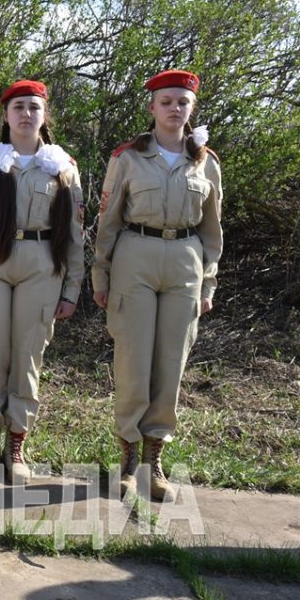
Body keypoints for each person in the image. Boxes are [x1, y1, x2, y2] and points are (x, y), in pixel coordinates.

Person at [92, 70, 222, 502]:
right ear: (152, 108)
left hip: (185, 259)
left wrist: (208, 282)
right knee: (133, 359)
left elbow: (212, 231)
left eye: (182, 102)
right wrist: (101, 273)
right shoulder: (128, 157)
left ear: (191, 109)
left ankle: (154, 460)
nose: (174, 109)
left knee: (171, 363)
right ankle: (128, 460)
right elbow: (108, 222)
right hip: (136, 255)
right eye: (166, 101)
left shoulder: (206, 161)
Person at [0, 80, 84, 484]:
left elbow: (76, 232)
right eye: (18, 107)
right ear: (5, 115)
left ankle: (18, 447)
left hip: (42, 265)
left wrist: (72, 287)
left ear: (45, 116)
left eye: (34, 107)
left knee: (27, 359)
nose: (26, 114)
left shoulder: (62, 166)